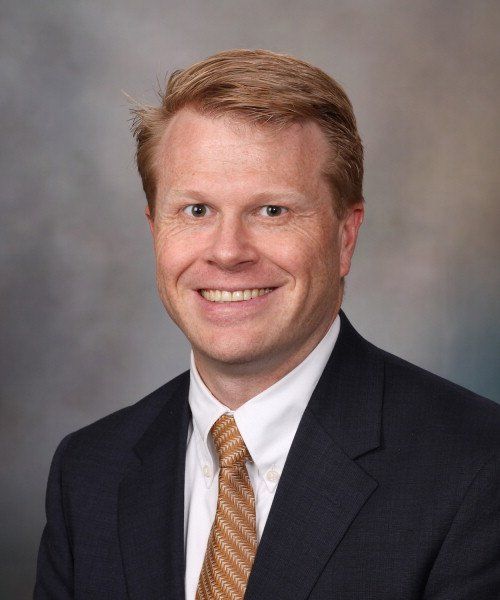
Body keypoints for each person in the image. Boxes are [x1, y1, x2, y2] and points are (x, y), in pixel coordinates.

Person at [34, 49, 500, 599]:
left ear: (345, 236)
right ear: (154, 228)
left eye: (272, 211)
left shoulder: (477, 467)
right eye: (197, 210)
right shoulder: (89, 471)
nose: (228, 252)